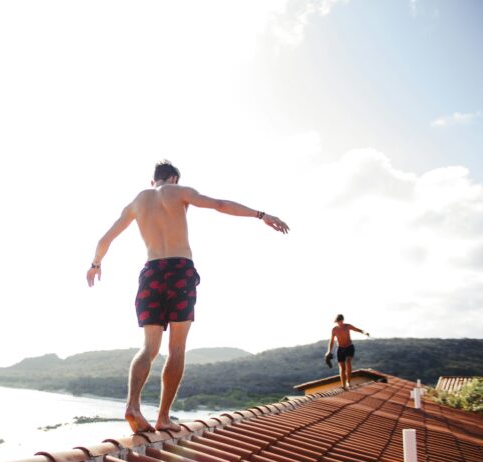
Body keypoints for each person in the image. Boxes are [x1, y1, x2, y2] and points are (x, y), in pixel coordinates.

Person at [86, 160, 290, 433]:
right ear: (173, 178)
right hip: (179, 270)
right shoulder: (178, 191)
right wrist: (261, 215)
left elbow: (105, 239)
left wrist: (95, 265)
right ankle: (163, 417)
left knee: (149, 348)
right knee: (177, 348)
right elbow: (219, 204)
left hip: (151, 272)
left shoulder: (136, 202)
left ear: (153, 181)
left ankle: (132, 406)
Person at [325, 314, 370, 389]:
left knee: (348, 363)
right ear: (336, 322)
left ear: (343, 320)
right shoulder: (334, 329)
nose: (340, 323)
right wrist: (329, 351)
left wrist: (364, 332)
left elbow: (357, 330)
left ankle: (348, 382)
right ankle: (343, 385)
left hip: (349, 347)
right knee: (342, 368)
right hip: (340, 348)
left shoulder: (347, 326)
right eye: (338, 322)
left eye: (341, 321)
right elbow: (332, 341)